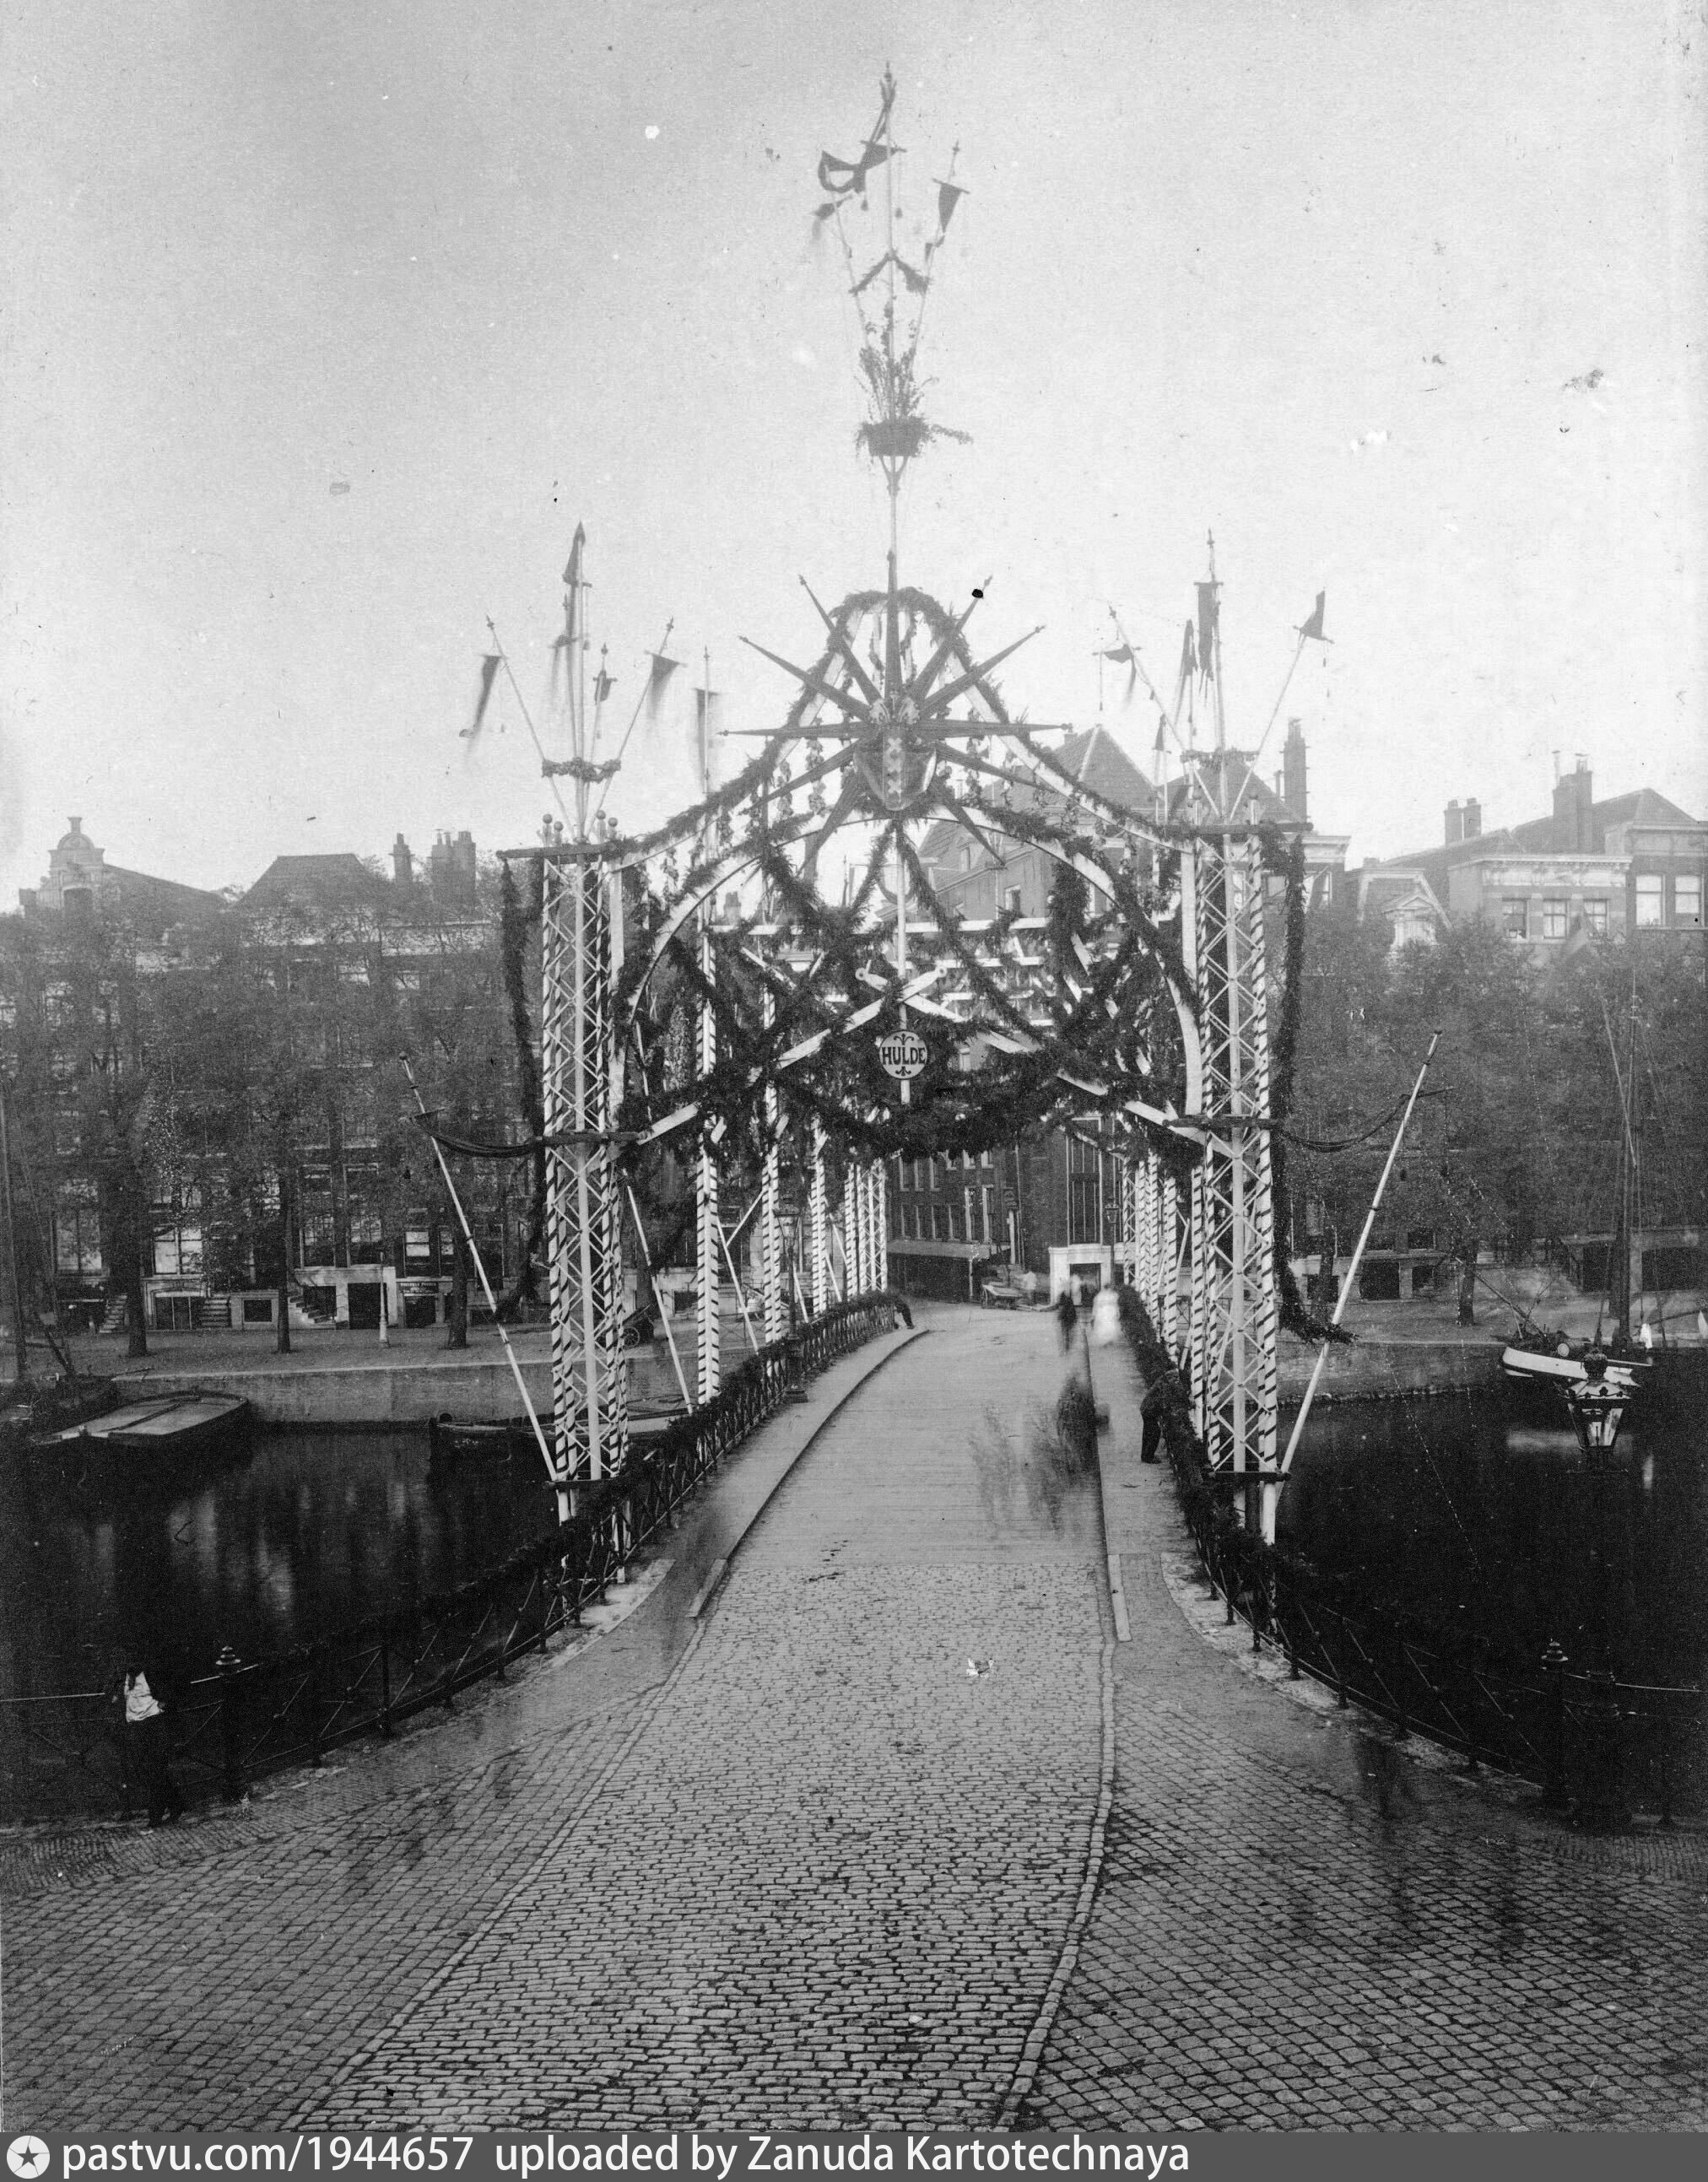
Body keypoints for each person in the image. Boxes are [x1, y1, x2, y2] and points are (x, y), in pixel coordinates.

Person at [123, 1662, 185, 1827]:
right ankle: (176, 1803)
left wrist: (164, 1704)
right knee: (145, 1770)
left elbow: (175, 1685)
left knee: (155, 1769)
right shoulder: (124, 1676)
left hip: (153, 1723)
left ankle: (155, 1815)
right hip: (134, 1726)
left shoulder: (151, 1672)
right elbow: (113, 1693)